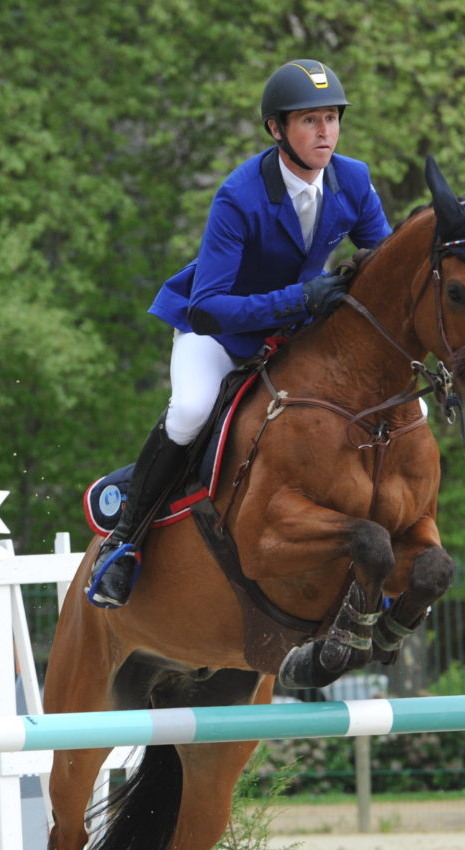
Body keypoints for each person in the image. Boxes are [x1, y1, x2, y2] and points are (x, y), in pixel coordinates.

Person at [87, 58, 392, 608]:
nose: (325, 133)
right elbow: (209, 307)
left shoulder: (354, 180)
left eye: (332, 119)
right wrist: (300, 299)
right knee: (190, 410)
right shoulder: (239, 195)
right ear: (277, 129)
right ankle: (125, 541)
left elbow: (384, 260)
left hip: (293, 336)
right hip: (217, 337)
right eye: (309, 121)